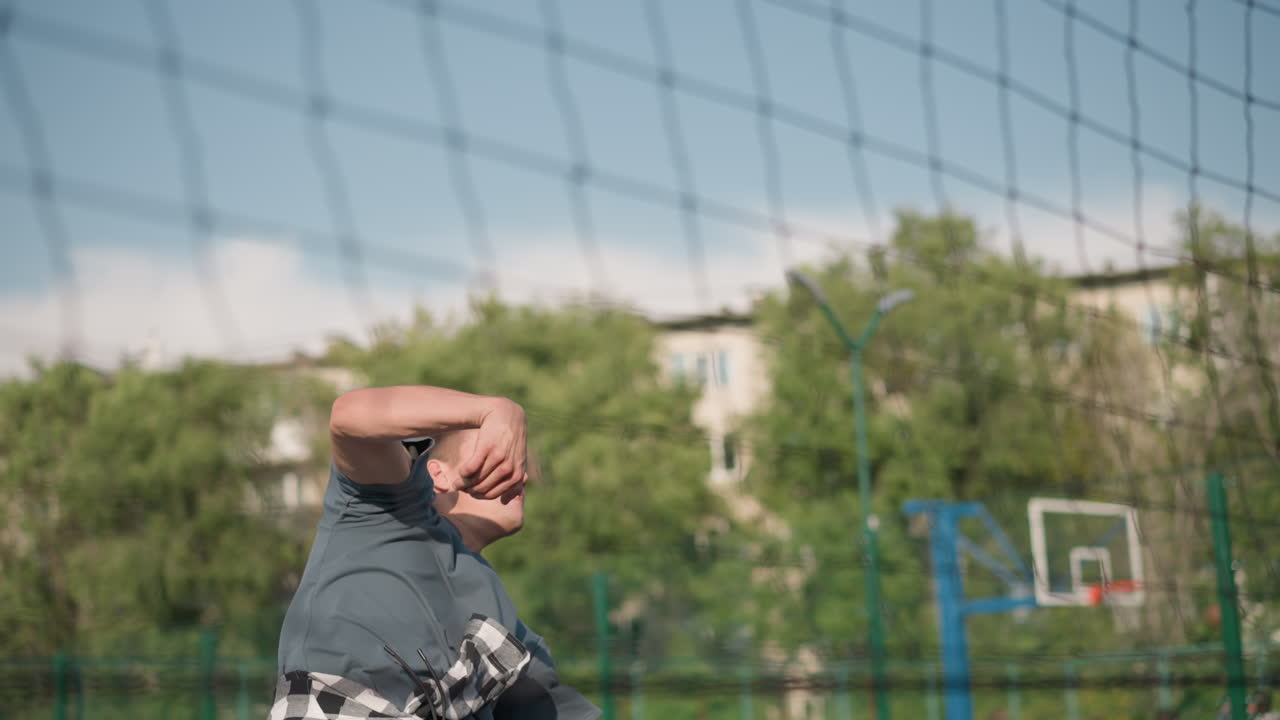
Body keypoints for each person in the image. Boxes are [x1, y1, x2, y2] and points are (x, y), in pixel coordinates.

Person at [271, 385, 599, 720]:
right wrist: (498, 411)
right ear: (437, 473)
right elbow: (349, 415)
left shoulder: (504, 624)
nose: (521, 473)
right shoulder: (381, 512)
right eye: (496, 452)